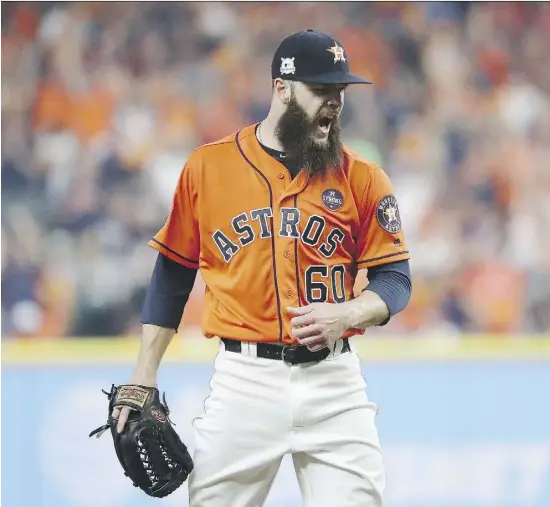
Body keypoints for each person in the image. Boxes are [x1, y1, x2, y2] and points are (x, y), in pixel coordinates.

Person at [113, 29, 412, 507]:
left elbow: (395, 279)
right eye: (322, 91)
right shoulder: (208, 168)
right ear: (282, 89)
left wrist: (350, 314)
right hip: (243, 382)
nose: (334, 104)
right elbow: (172, 274)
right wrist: (144, 370)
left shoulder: (362, 177)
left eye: (340, 93)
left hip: (333, 383)